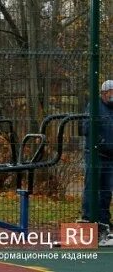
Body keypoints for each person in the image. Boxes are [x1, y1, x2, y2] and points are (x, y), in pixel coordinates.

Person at [80, 79, 113, 247]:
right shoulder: (94, 107)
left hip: (111, 156)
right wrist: (99, 140)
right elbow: (85, 128)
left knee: (106, 191)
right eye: (111, 92)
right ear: (104, 93)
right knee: (92, 187)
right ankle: (88, 219)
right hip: (95, 154)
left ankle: (104, 222)